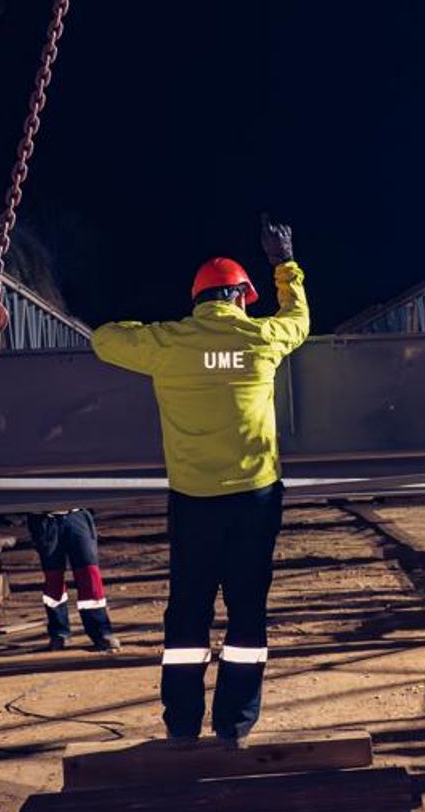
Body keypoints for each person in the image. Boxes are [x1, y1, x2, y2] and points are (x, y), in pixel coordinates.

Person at [90, 215, 308, 746]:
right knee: (247, 611)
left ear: (199, 299)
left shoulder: (169, 344)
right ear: (238, 296)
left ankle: (182, 726)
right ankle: (234, 727)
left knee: (187, 613)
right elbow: (297, 319)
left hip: (194, 503)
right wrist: (285, 265)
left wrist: (151, 332)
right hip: (255, 498)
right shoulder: (261, 338)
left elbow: (103, 340)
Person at [27, 508, 119, 652]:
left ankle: (101, 633)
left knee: (89, 574)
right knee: (53, 578)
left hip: (77, 515)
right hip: (44, 519)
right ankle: (59, 633)